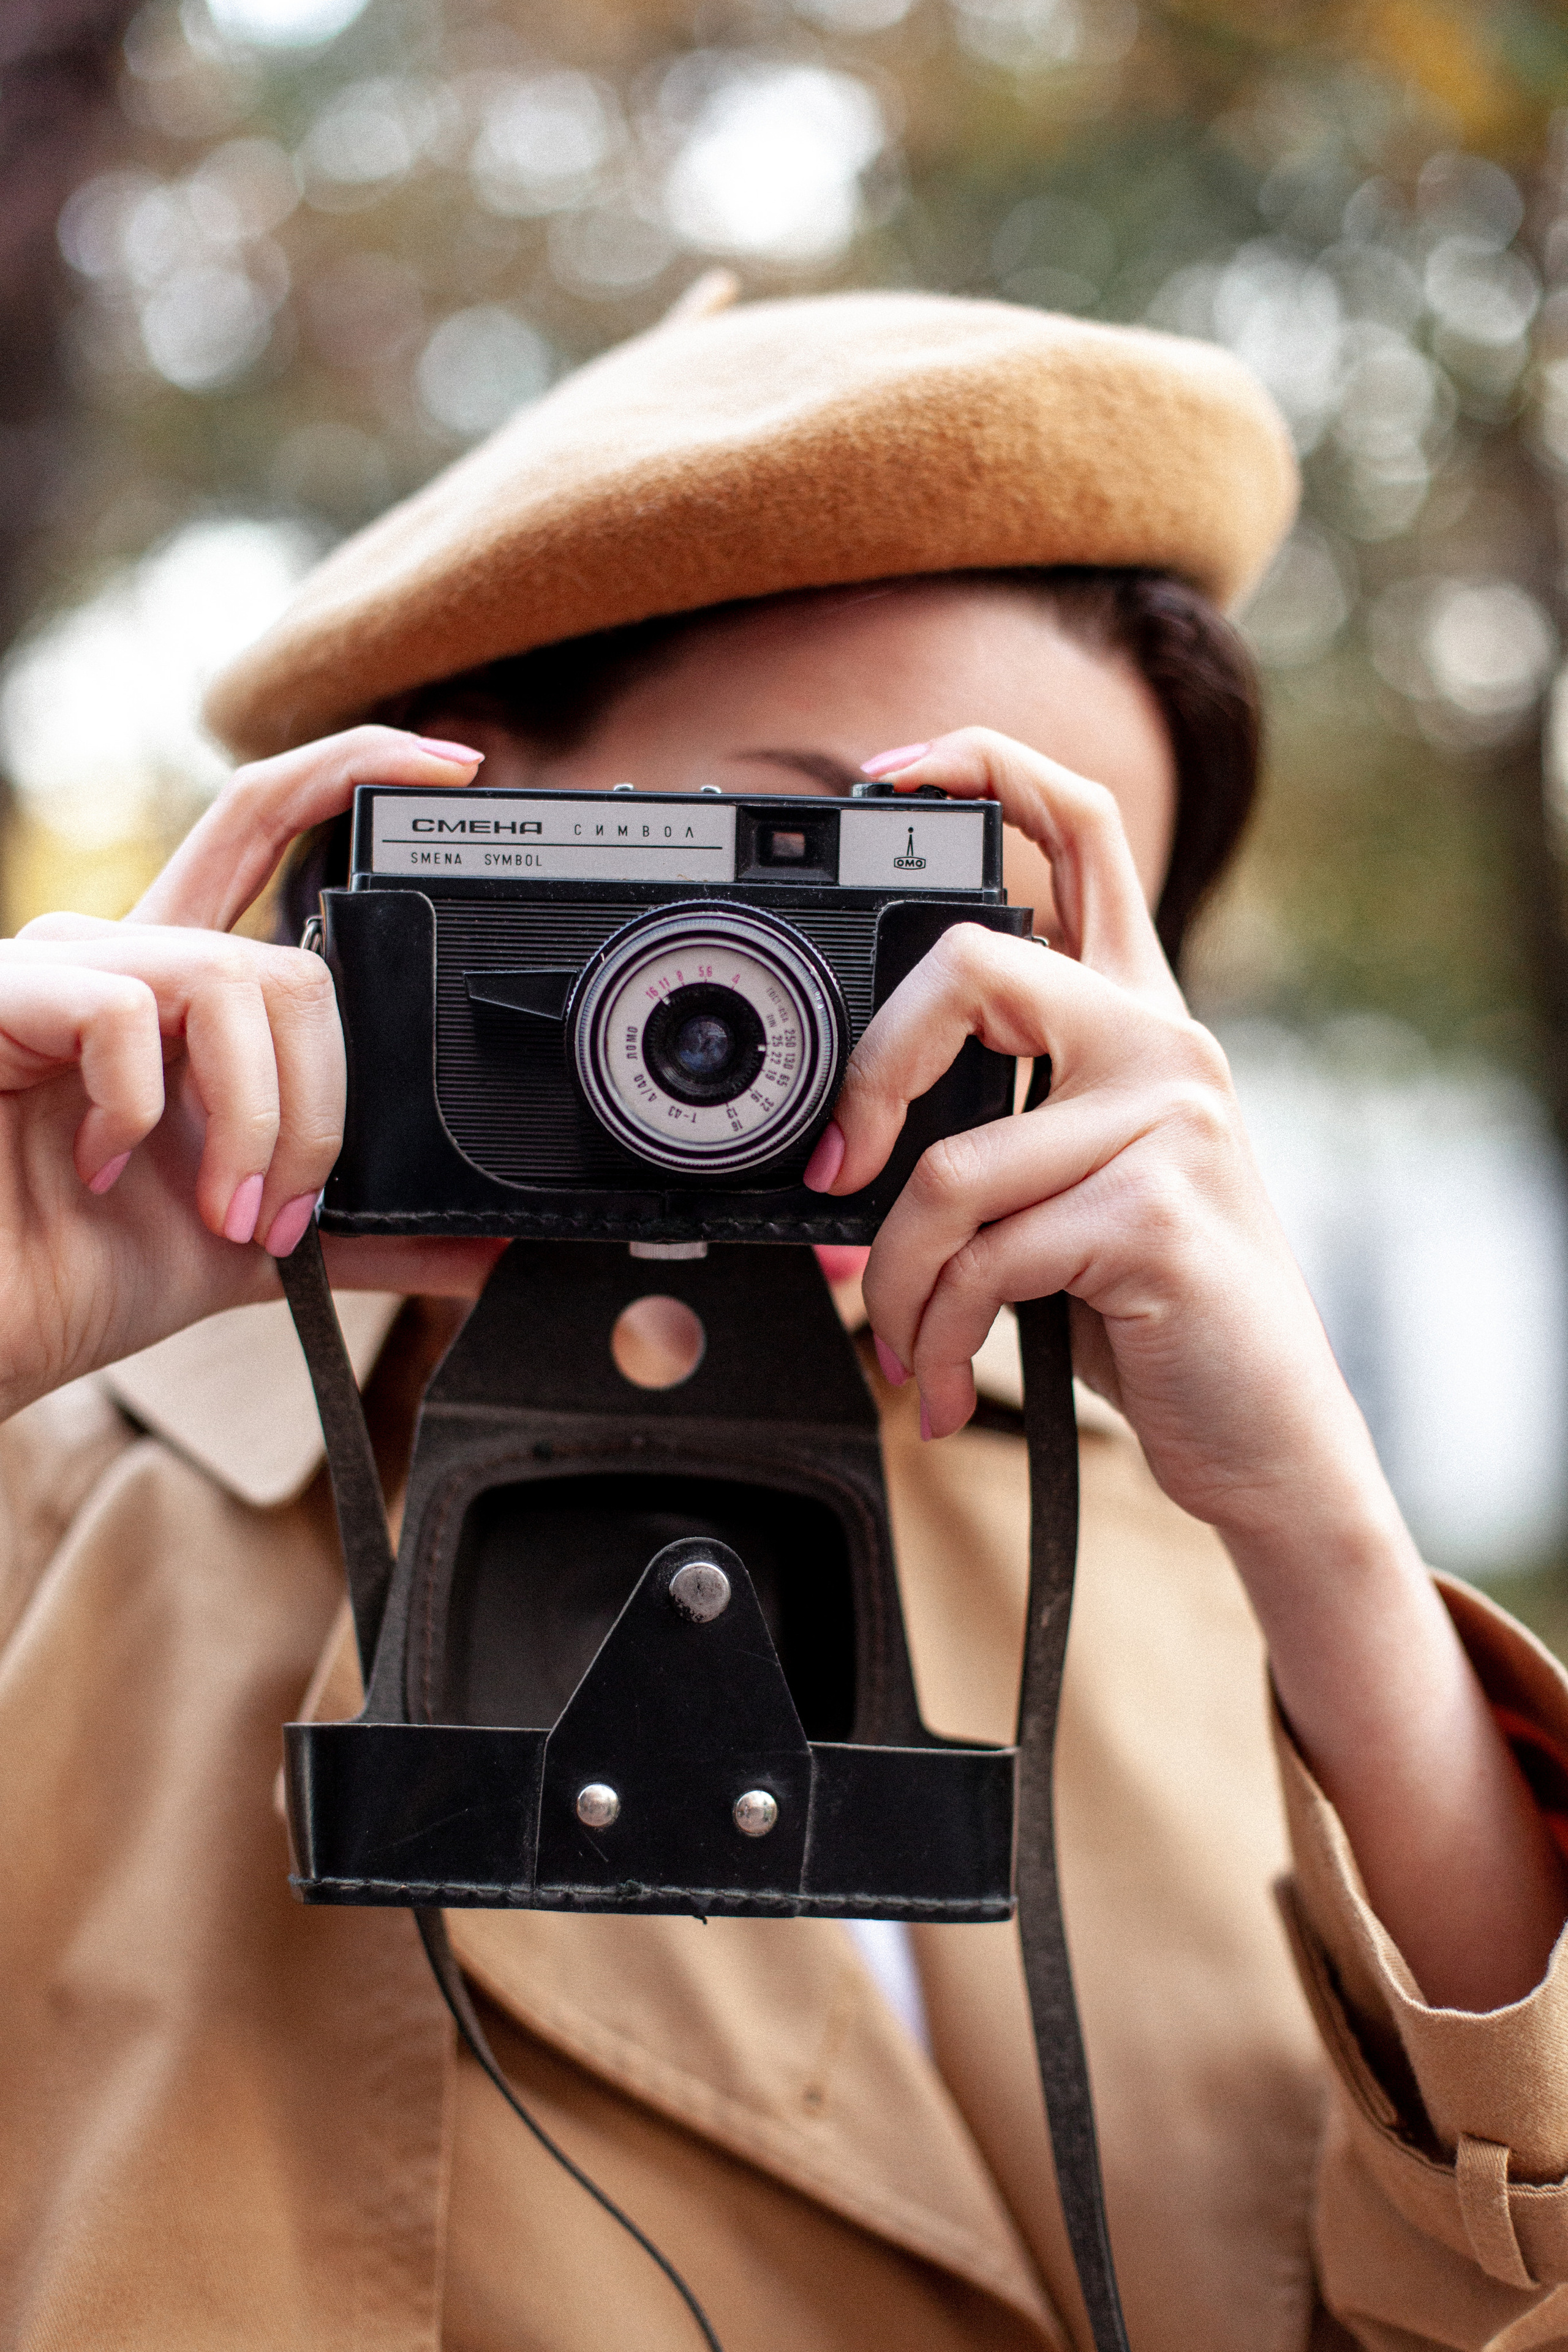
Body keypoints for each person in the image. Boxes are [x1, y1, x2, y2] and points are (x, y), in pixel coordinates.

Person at [2, 282, 1567, 2352]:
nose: (902, 1030)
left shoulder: (1185, 1565)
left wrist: (1333, 1553)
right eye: (817, 879)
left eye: (1002, 948)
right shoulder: (63, 1493)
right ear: (434, 815)